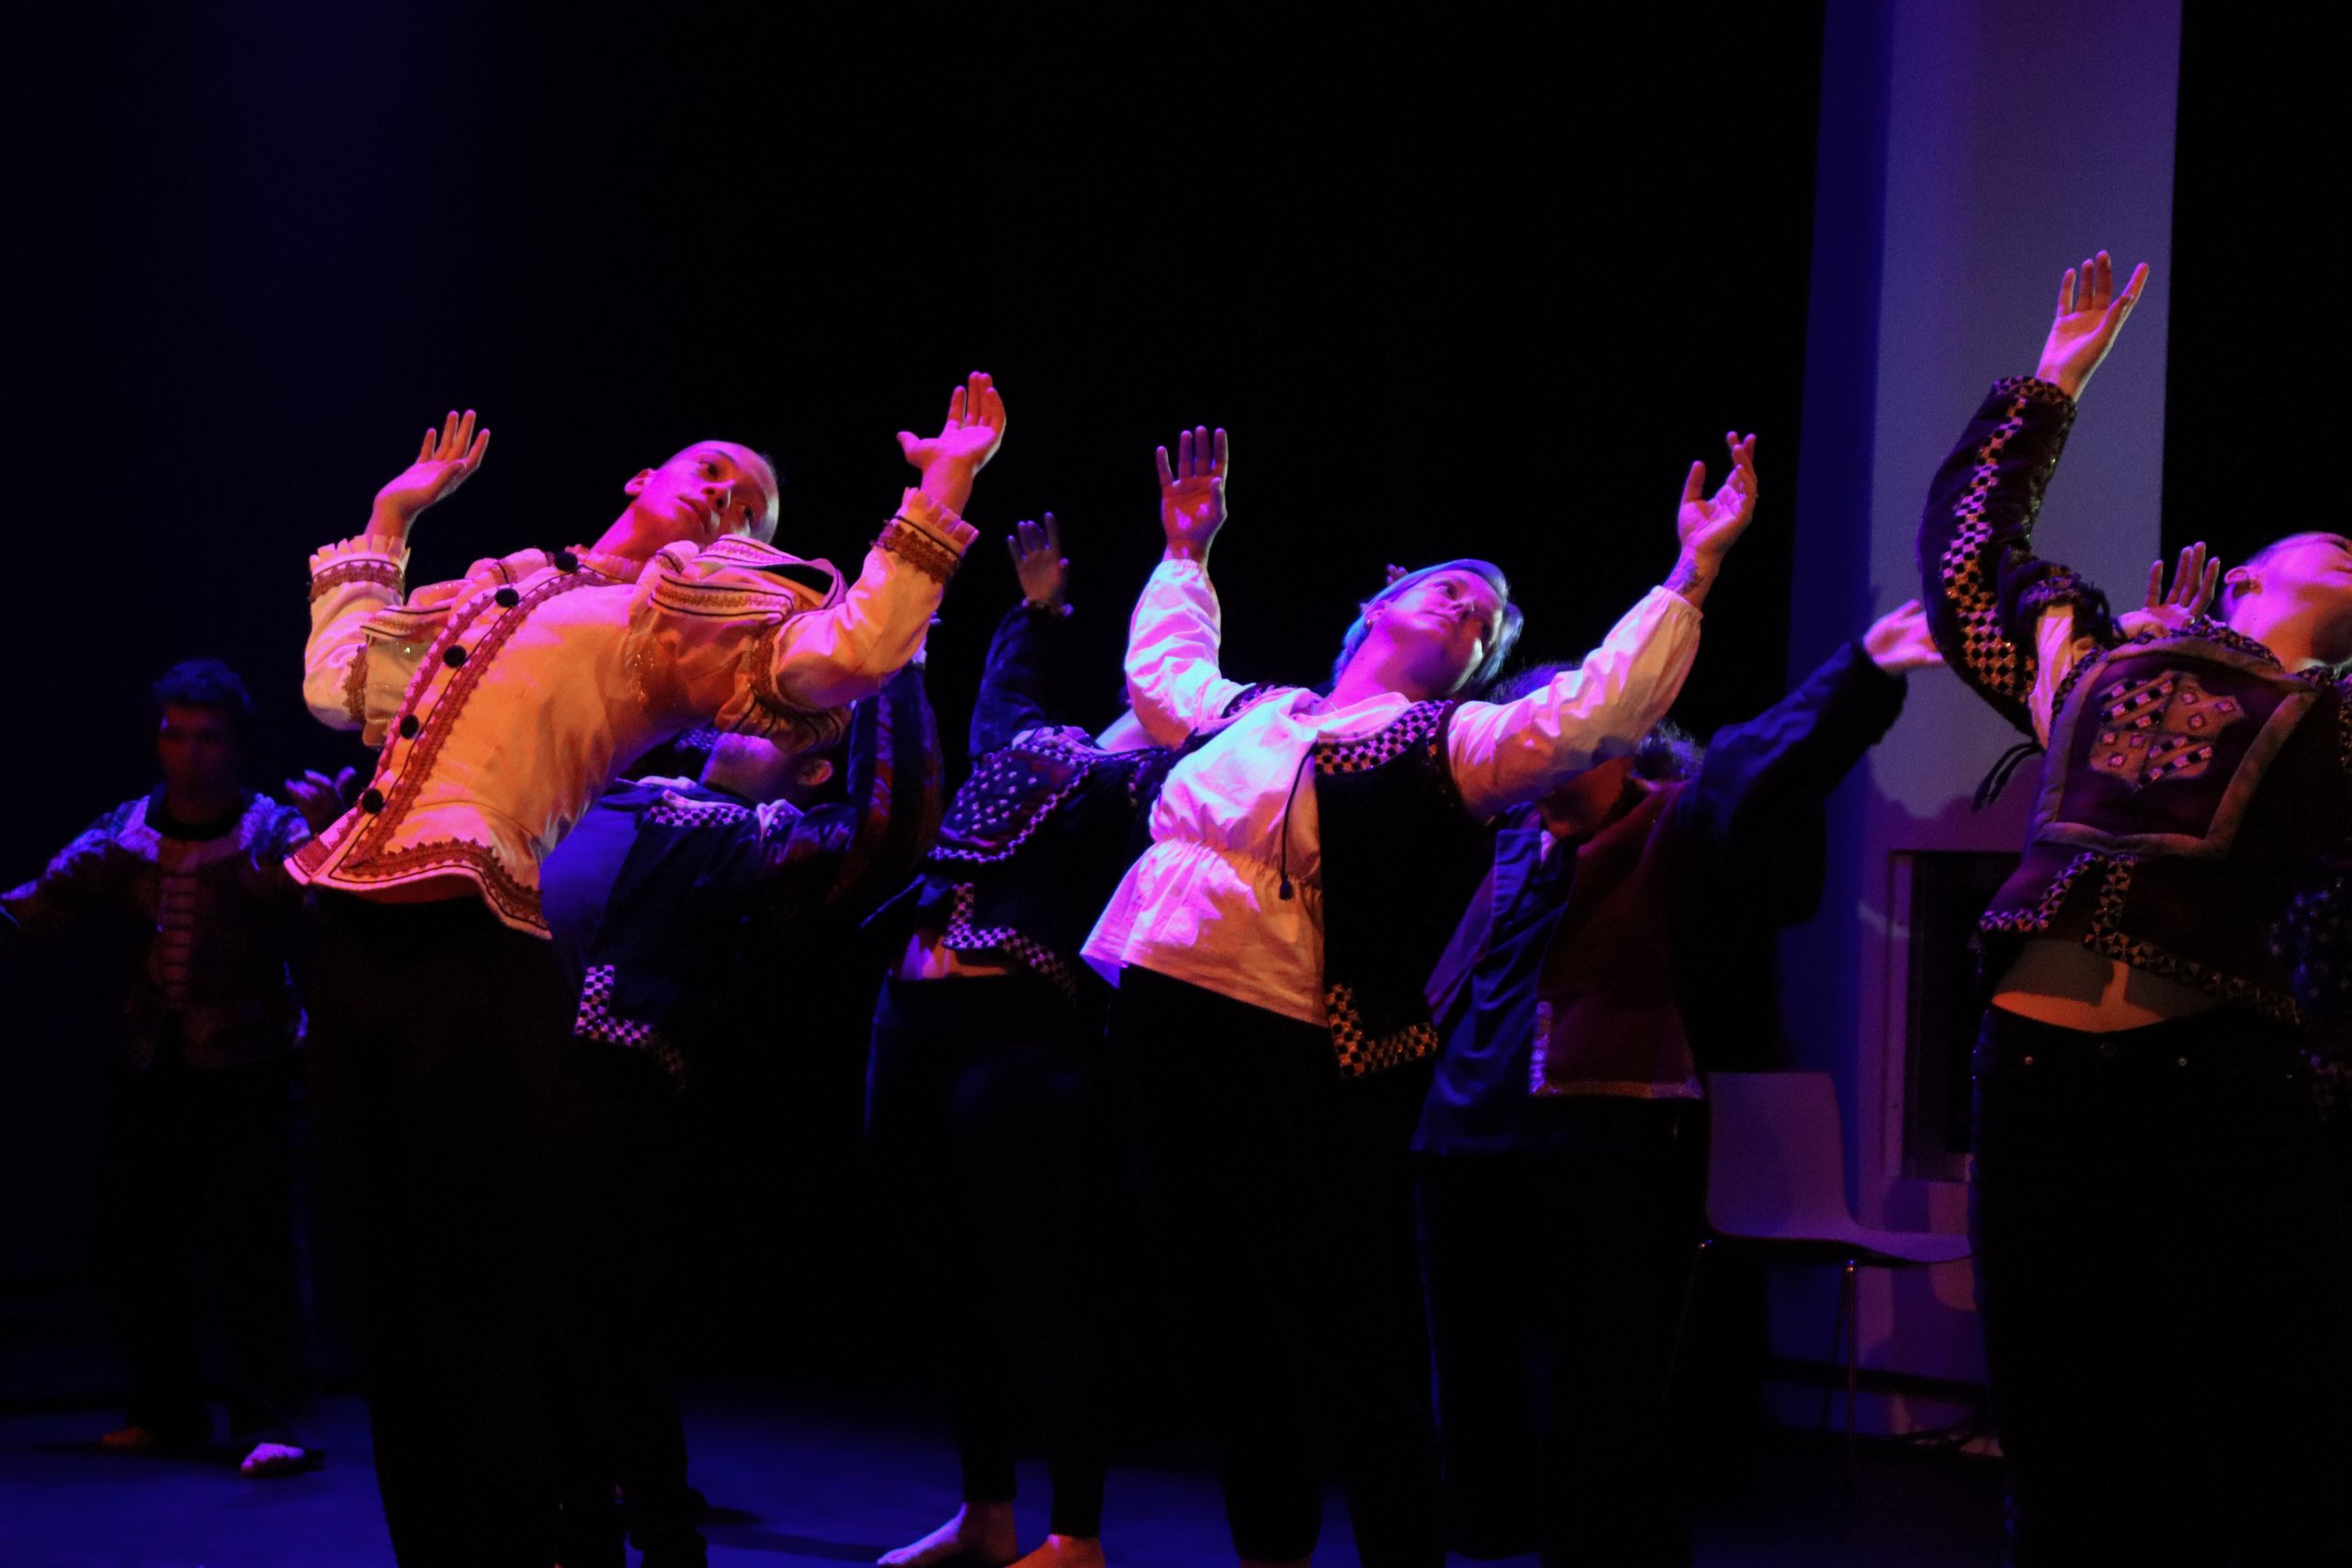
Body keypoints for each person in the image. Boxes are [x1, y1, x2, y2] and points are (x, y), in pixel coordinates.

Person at [292, 378, 1004, 1567]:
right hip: (351, 933)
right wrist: (388, 525)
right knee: (387, 1307)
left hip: (477, 942)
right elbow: (338, 687)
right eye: (717, 462)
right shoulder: (503, 582)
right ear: (643, 477)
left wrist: (943, 486)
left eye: (755, 502)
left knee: (476, 1303)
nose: (732, 489)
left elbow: (851, 649)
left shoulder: (678, 611)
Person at [1081, 424, 1756, 1568]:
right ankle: (1272, 1552)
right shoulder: (1257, 712)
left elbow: (1592, 714)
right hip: (1161, 1002)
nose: (1470, 609)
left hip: (1288, 1037)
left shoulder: (1449, 744)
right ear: (1377, 606)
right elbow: (1162, 674)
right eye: (1452, 589)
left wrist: (1690, 575)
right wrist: (1187, 550)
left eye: (1487, 621)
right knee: (1216, 1314)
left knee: (1342, 1332)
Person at [1917, 252, 2352, 1563]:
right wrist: (2055, 381)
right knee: (2058, 1425)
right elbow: (1971, 563)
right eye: (2324, 540)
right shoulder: (2093, 670)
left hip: (2217, 1080)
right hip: (2038, 1073)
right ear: (2245, 582)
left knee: (2232, 1425)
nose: (2346, 546)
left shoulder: (2328, 726)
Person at [1414, 601, 1939, 1566]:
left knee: (1603, 1397)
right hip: (1462, 1147)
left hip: (1604, 1146)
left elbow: (1762, 764)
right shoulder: (1494, 850)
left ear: (1623, 740)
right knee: (1475, 1394)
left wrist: (1862, 672)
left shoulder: (1674, 825)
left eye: (1576, 731)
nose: (1553, 755)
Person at [542, 664, 940, 1568]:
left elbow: (895, 824)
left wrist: (893, 675)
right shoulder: (619, 787)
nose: (751, 717)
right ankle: (577, 1520)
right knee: (543, 1317)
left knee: (599, 1318)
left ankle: (663, 1534)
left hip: (609, 1081)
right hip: (519, 1063)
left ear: (811, 772)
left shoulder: (776, 838)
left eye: (784, 722)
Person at [866, 515, 1176, 1568]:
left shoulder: (1153, 789)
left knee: (1037, 1276)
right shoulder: (1038, 751)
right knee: (941, 1268)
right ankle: (985, 1513)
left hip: (1020, 1030)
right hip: (913, 1014)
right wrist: (1036, 611)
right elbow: (1008, 697)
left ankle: (1075, 1532)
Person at [3, 660, 321, 1478]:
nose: (186, 753)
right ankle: (163, 1406)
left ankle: (267, 1418)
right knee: (137, 1239)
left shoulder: (270, 829)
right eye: (174, 734)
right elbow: (42, 901)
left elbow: (321, 906)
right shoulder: (129, 826)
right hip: (153, 1058)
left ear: (237, 745)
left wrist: (314, 854)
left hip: (249, 1060)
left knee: (253, 1247)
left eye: (206, 737)